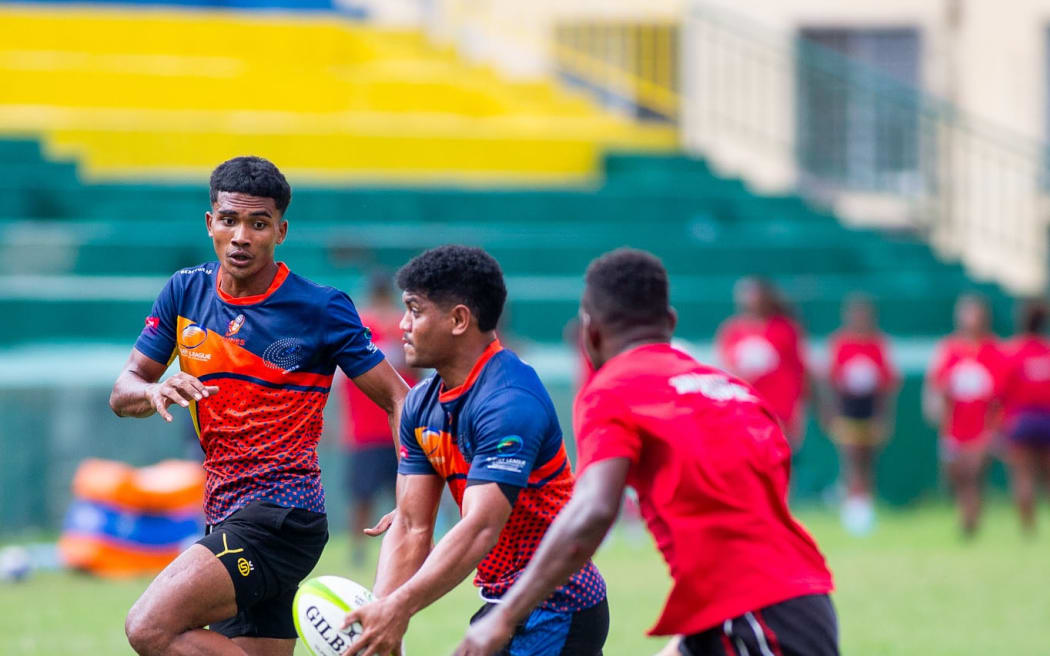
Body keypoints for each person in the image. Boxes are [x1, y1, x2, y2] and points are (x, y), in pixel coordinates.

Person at [454, 248, 837, 656]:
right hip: (792, 602)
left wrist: (505, 615)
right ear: (670, 322)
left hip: (754, 616)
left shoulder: (612, 390)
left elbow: (593, 511)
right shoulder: (731, 390)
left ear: (591, 333)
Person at [109, 156, 410, 656]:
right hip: (224, 512)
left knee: (149, 627)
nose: (241, 237)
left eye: (258, 223)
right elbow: (124, 390)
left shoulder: (320, 307)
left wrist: (412, 497)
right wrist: (152, 390)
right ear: (210, 223)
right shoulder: (185, 291)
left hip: (283, 515)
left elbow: (400, 398)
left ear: (281, 231)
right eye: (229, 220)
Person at [343, 245, 609, 656]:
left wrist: (399, 607)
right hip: (504, 602)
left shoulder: (509, 400)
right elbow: (412, 527)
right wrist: (379, 611)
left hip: (558, 604)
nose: (403, 324)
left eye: (415, 310)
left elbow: (481, 527)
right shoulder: (420, 405)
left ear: (459, 319)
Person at [342, 270, 417, 567]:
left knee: (409, 491)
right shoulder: (360, 327)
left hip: (400, 428)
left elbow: (418, 370)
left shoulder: (404, 325)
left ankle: (411, 543)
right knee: (363, 495)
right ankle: (359, 549)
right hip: (367, 430)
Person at [923, 294, 1005, 538]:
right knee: (956, 475)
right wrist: (934, 406)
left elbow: (1001, 392)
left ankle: (971, 521)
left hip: (982, 427)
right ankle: (966, 514)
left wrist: (996, 427)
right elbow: (936, 384)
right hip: (954, 428)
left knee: (974, 473)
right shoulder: (950, 348)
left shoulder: (993, 350)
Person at [823, 294, 898, 535]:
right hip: (848, 409)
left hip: (870, 410)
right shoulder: (840, 344)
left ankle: (865, 506)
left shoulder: (878, 345)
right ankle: (853, 510)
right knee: (851, 458)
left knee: (867, 461)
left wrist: (884, 416)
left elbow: (887, 384)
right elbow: (831, 381)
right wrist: (831, 413)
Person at [717, 277, 809, 446]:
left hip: (779, 410)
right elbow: (727, 370)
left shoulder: (784, 329)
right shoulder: (732, 330)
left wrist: (799, 410)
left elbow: (799, 371)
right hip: (745, 411)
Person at [1000, 300, 1050, 534]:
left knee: (1022, 476)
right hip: (1047, 419)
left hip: (1021, 419)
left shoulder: (1012, 353)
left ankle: (1028, 527)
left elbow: (1001, 392)